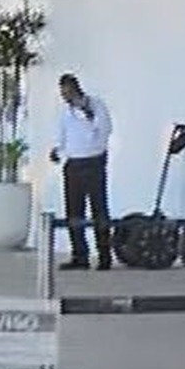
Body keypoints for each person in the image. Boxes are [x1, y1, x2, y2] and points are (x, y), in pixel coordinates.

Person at [53, 74, 116, 270]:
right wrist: (57, 150)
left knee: (99, 209)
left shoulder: (96, 105)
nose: (65, 95)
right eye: (62, 91)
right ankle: (80, 256)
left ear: (76, 88)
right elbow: (63, 136)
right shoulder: (66, 113)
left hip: (94, 161)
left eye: (68, 90)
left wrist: (87, 113)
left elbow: (105, 129)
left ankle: (104, 255)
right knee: (74, 211)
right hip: (73, 163)